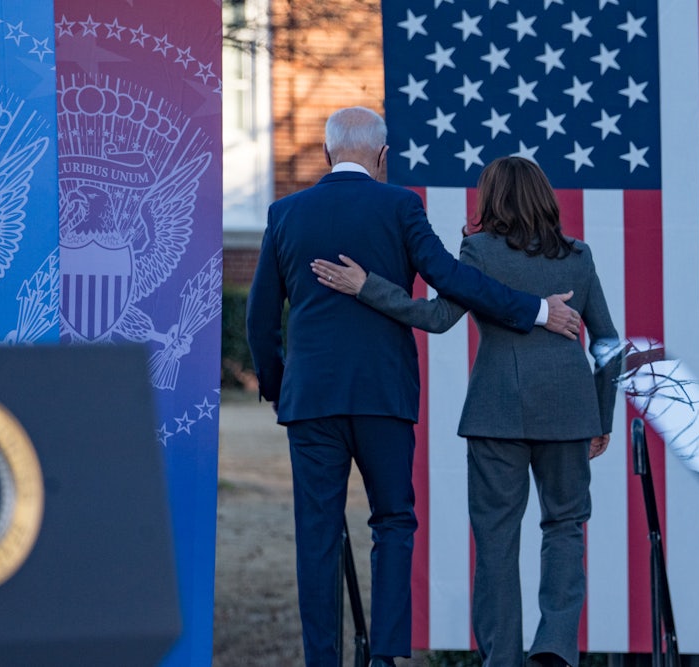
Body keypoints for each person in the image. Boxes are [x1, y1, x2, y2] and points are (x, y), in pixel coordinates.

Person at [245, 108, 583, 667]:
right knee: (394, 522)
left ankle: (320, 660)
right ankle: (385, 657)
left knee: (316, 534)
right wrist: (535, 310)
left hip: (311, 403)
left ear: (328, 155)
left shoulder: (285, 213)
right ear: (381, 157)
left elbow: (260, 317)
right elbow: (451, 280)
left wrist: (281, 388)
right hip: (385, 397)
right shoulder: (400, 205)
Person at [312, 156, 623, 667]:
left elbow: (435, 317)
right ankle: (554, 650)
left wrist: (367, 285)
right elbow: (608, 344)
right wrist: (602, 414)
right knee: (565, 528)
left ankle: (502, 658)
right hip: (571, 412)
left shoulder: (477, 252)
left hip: (496, 414)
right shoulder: (579, 256)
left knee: (497, 538)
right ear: (545, 198)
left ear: (491, 201)